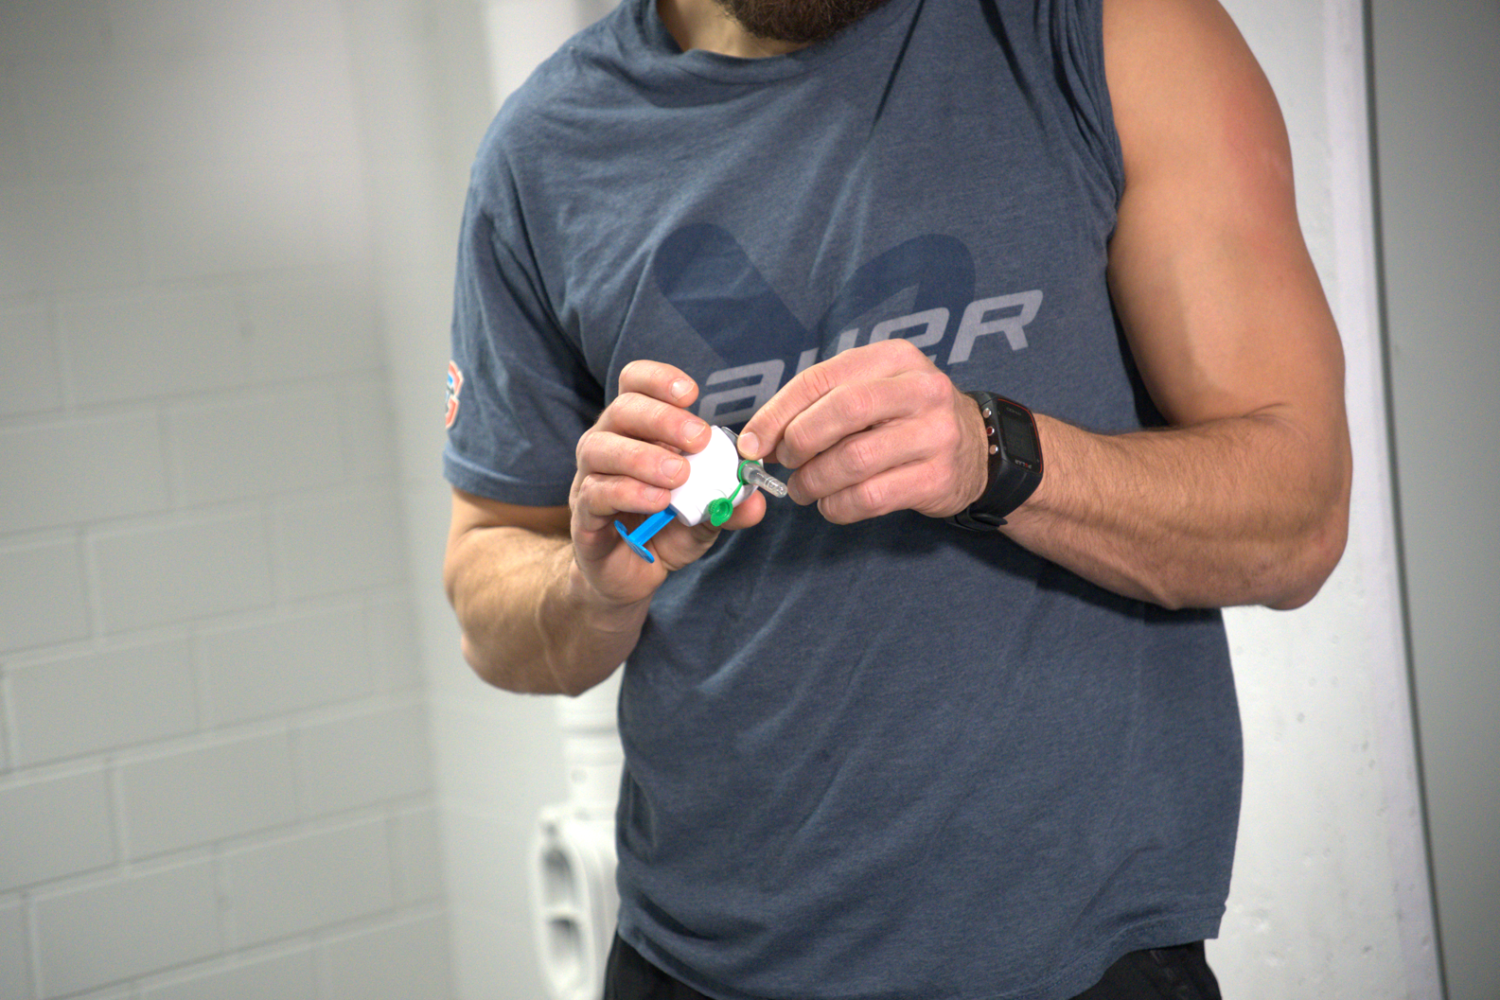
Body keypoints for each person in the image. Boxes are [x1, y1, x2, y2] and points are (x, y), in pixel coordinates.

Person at [441, 0, 1352, 997]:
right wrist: (591, 586)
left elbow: (1296, 515)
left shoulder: (1107, 30)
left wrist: (990, 454)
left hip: (1083, 964)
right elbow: (490, 593)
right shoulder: (545, 151)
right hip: (692, 963)